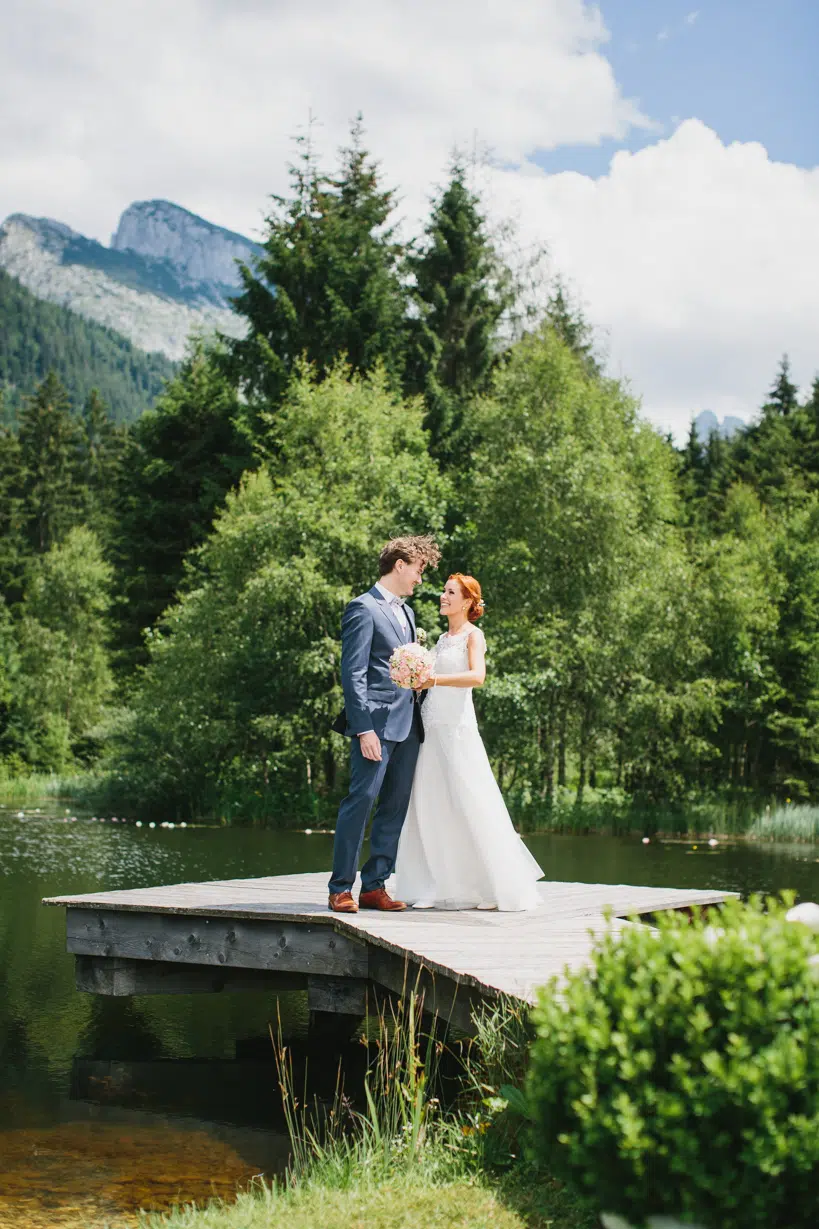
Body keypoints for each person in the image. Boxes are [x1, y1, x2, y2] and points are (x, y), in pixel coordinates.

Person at [391, 574, 544, 911]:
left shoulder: (474, 636)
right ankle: (435, 883)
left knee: (471, 800)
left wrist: (434, 678)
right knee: (430, 802)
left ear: (467, 602)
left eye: (450, 592)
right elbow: (430, 681)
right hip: (431, 726)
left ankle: (492, 886)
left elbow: (478, 677)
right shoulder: (441, 639)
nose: (443, 596)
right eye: (444, 591)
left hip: (457, 727)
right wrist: (415, 681)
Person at [328, 535, 442, 913]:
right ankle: (340, 888)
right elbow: (354, 672)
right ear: (399, 565)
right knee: (360, 801)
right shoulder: (362, 608)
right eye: (418, 571)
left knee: (395, 805)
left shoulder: (407, 614)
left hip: (408, 725)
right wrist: (363, 729)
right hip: (374, 726)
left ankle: (375, 885)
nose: (420, 580)